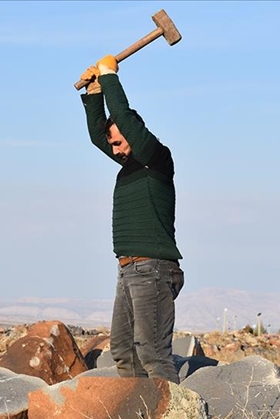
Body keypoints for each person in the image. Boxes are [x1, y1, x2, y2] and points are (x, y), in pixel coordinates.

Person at [79, 55, 183, 383]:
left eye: (120, 141)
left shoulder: (156, 158)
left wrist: (109, 75)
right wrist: (94, 94)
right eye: (114, 144)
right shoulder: (130, 167)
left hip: (153, 269)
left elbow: (123, 115)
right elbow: (99, 136)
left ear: (134, 133)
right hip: (128, 270)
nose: (116, 149)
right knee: (124, 351)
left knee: (152, 352)